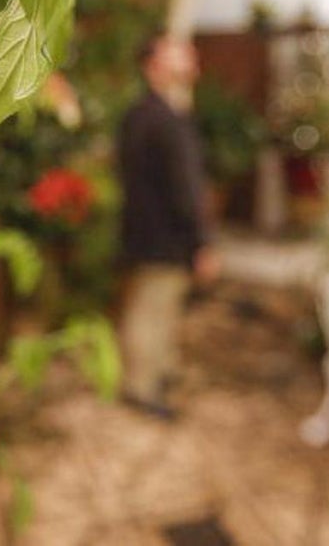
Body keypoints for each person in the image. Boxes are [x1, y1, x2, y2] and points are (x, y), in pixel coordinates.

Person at [117, 35, 219, 418]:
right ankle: (141, 387)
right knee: (150, 311)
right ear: (152, 64)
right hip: (160, 235)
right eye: (175, 52)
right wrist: (200, 241)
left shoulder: (155, 113)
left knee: (161, 308)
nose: (188, 58)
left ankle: (158, 373)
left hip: (155, 233)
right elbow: (184, 188)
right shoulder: (159, 117)